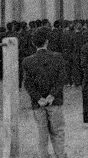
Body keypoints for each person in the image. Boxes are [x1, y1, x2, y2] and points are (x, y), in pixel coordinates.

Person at [21, 27, 68, 158]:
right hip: (55, 101)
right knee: (58, 131)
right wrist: (52, 95)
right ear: (47, 42)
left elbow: (27, 83)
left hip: (38, 104)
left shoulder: (27, 61)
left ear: (33, 43)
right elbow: (62, 79)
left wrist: (38, 98)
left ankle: (44, 156)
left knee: (42, 132)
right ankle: (60, 155)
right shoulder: (58, 57)